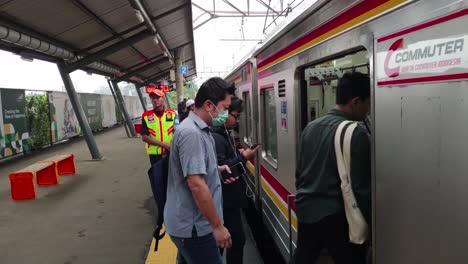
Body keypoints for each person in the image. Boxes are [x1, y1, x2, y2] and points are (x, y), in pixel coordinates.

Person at [294, 72, 371, 264]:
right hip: (337, 218)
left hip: (305, 212)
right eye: (367, 104)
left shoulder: (310, 127)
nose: (368, 110)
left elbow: (300, 174)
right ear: (355, 101)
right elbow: (360, 189)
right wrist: (373, 222)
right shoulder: (356, 133)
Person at [164, 77, 236, 264]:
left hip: (189, 225)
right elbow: (196, 184)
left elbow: (193, 170)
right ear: (209, 105)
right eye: (225, 107)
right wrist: (218, 226)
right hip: (195, 228)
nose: (226, 114)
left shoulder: (199, 129)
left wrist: (215, 169)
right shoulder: (192, 134)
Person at [211, 96, 259, 264]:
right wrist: (244, 157)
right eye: (235, 115)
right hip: (225, 202)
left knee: (233, 242)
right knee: (234, 241)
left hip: (228, 201)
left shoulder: (223, 133)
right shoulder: (217, 137)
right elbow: (224, 173)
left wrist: (237, 154)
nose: (237, 120)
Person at [141, 89, 178, 165]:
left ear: (163, 98)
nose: (154, 100)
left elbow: (177, 132)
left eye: (157, 97)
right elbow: (144, 137)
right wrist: (164, 145)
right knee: (157, 176)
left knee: (171, 176)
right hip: (155, 155)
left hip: (170, 152)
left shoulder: (173, 114)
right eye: (152, 98)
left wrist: (171, 145)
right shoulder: (146, 116)